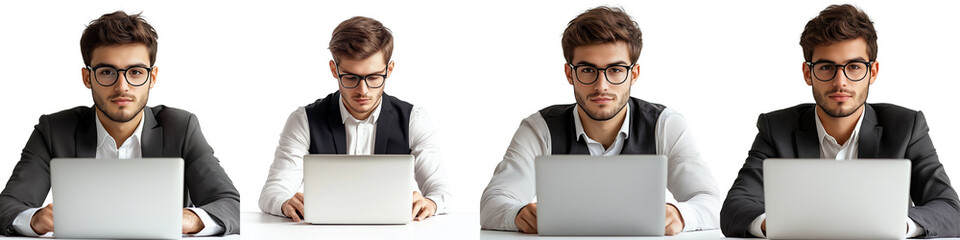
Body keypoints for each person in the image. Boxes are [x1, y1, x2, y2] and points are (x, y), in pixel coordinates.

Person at [720, 4, 960, 238]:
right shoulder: (776, 128)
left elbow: (950, 210)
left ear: (872, 72)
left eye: (854, 66)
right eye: (826, 67)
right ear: (808, 73)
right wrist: (774, 223)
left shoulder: (907, 127)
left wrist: (896, 222)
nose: (840, 81)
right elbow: (735, 208)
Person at [479, 6, 721, 235]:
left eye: (615, 70)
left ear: (633, 74)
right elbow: (493, 203)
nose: (601, 86)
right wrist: (518, 214)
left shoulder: (665, 125)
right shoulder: (539, 129)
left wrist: (679, 214)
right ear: (569, 73)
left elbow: (709, 201)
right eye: (587, 70)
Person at [0, 11, 240, 236]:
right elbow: (7, 206)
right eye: (107, 72)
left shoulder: (182, 128)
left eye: (135, 72)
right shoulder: (53, 130)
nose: (122, 86)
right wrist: (35, 220)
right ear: (88, 78)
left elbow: (229, 204)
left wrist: (191, 220)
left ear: (152, 77)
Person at [258, 16, 451, 222]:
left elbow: (441, 192)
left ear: (389, 70)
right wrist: (285, 203)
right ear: (334, 70)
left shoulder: (414, 119)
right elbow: (273, 191)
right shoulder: (304, 120)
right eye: (351, 77)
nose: (363, 90)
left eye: (374, 77)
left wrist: (431, 203)